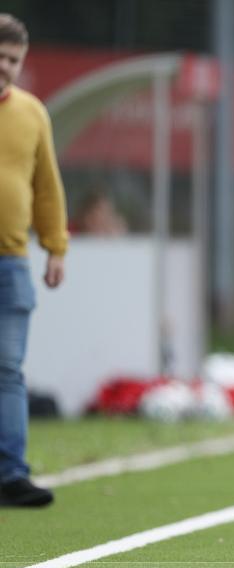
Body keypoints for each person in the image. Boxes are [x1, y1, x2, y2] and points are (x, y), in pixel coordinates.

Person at [0, 13, 67, 508]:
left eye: (13, 60)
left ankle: (10, 475)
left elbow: (47, 186)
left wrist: (55, 245)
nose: (4, 67)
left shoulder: (31, 112)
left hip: (12, 261)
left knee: (8, 370)